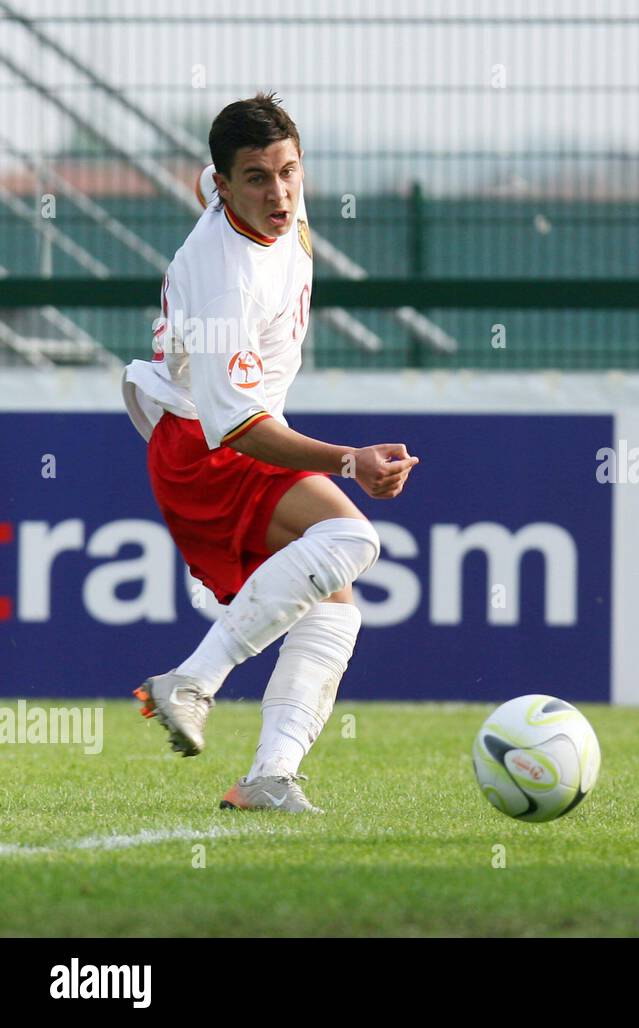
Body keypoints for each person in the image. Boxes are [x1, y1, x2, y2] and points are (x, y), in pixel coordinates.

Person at [120, 93, 419, 813]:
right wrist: (351, 460)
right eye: (256, 178)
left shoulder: (261, 200)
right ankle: (190, 680)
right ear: (225, 187)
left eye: (289, 171)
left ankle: (269, 778)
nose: (279, 192)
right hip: (202, 441)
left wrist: (245, 159)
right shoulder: (226, 280)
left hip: (217, 429)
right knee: (350, 537)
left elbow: (227, 173)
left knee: (333, 604)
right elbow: (243, 429)